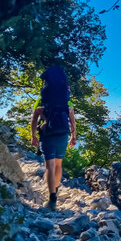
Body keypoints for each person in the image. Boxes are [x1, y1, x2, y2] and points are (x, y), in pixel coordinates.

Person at [30, 66, 77, 211]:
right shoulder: (67, 102)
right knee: (58, 165)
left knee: (49, 167)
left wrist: (33, 136)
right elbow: (72, 120)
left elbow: (34, 119)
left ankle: (52, 200)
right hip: (62, 134)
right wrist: (73, 136)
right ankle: (55, 191)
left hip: (47, 135)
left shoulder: (41, 100)